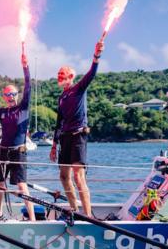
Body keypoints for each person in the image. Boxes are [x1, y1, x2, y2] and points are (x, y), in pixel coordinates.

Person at [0, 53, 36, 221]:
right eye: (7, 94)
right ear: (4, 97)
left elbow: (29, 86)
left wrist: (25, 67)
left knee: (21, 186)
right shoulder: (2, 112)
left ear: (17, 95)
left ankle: (32, 219)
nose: (10, 97)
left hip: (18, 152)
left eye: (13, 94)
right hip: (2, 151)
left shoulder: (23, 108)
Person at [49, 41, 104, 217]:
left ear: (71, 75)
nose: (59, 76)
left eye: (62, 74)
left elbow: (92, 73)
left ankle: (88, 217)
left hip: (78, 136)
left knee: (79, 178)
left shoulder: (79, 88)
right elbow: (58, 122)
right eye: (58, 74)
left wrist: (96, 56)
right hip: (64, 138)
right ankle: (74, 209)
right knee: (64, 177)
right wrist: (53, 145)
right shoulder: (62, 96)